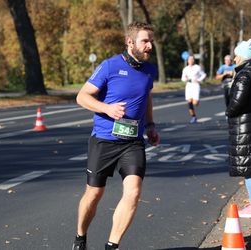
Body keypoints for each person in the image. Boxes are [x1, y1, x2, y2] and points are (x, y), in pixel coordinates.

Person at [72, 22, 160, 250]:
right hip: (104, 140)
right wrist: (106, 108)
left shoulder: (150, 69)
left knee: (134, 192)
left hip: (133, 142)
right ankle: (80, 238)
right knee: (94, 193)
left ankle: (112, 245)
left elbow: (147, 96)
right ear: (130, 42)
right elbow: (82, 97)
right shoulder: (109, 67)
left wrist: (150, 124)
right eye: (145, 41)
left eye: (151, 40)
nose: (150, 45)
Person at [226, 38, 251, 218]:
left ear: (244, 56)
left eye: (236, 55)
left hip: (246, 124)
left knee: (249, 165)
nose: (234, 58)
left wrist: (229, 112)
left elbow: (237, 102)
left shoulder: (245, 75)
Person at [181, 55, 207, 123]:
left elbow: (204, 75)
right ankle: (193, 116)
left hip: (196, 85)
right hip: (189, 85)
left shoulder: (197, 67)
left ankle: (195, 101)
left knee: (195, 103)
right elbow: (183, 78)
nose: (191, 61)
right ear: (188, 60)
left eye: (192, 59)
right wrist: (185, 79)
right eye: (189, 59)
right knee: (189, 101)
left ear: (194, 60)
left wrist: (199, 80)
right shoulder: (185, 69)